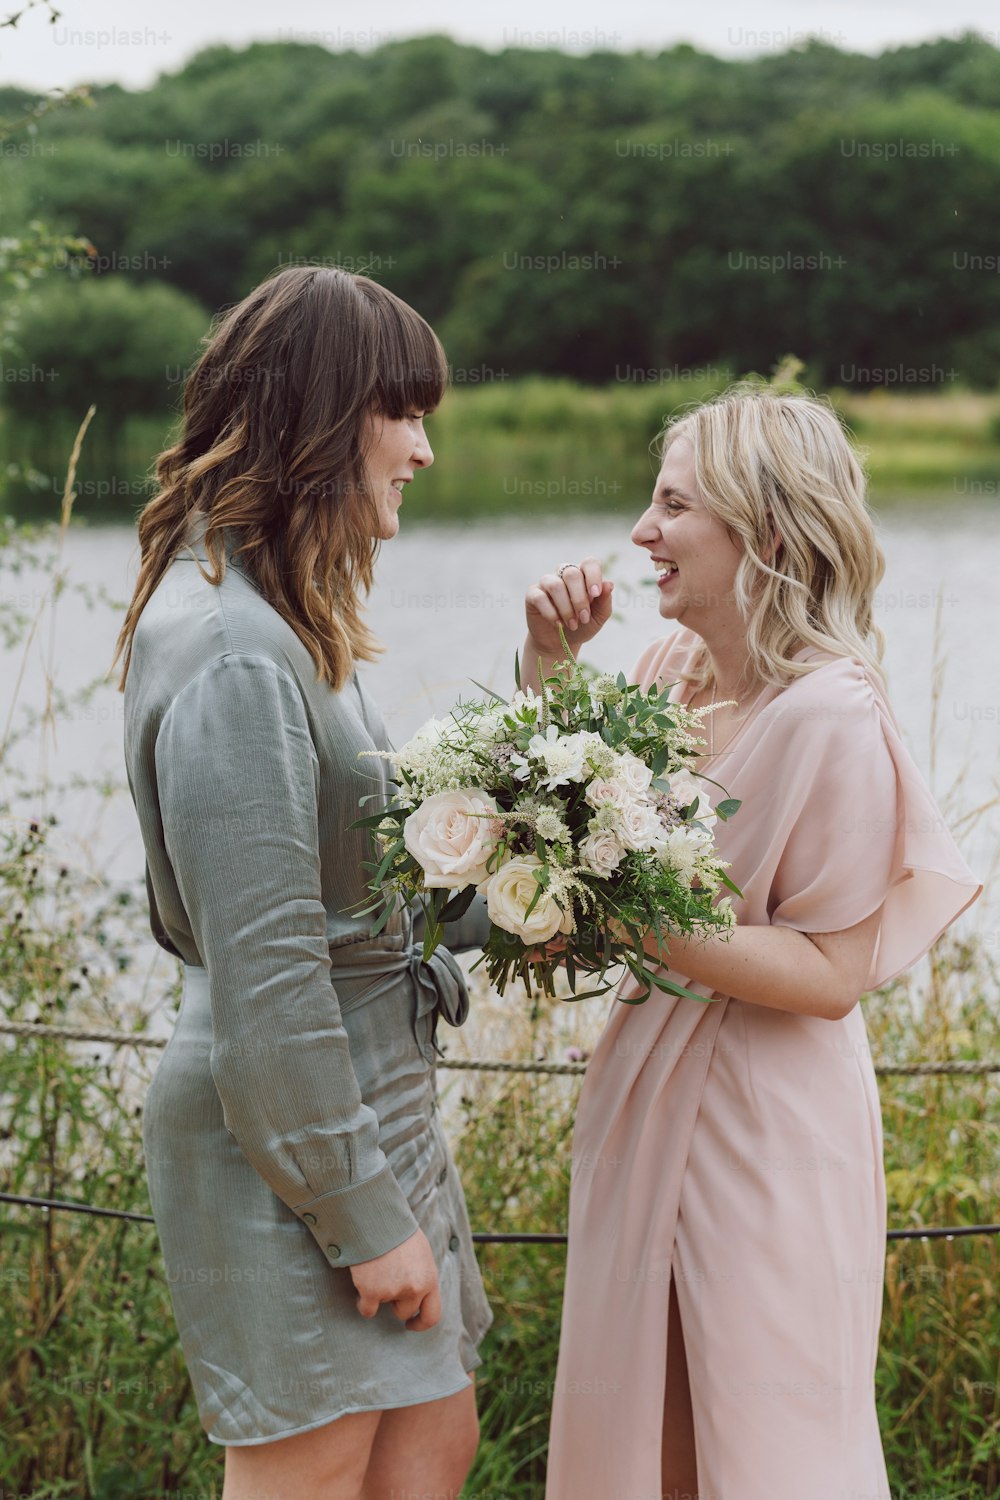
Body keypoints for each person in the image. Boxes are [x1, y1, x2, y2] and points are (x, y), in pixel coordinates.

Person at [520, 386, 982, 1500]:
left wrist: (624, 913)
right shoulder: (658, 680)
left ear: (765, 532)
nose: (641, 532)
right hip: (643, 1091)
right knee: (644, 1437)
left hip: (768, 1126)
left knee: (768, 1444)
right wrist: (544, 668)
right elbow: (564, 836)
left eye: (673, 504)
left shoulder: (832, 714)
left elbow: (829, 974)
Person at [111, 265, 491, 1500]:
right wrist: (356, 1209)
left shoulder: (283, 617)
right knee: (313, 1478)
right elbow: (271, 976)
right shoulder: (232, 656)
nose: (424, 449)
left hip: (370, 1097)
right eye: (404, 413)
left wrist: (550, 879)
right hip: (289, 1132)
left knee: (430, 1452)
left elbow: (368, 884)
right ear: (320, 420)